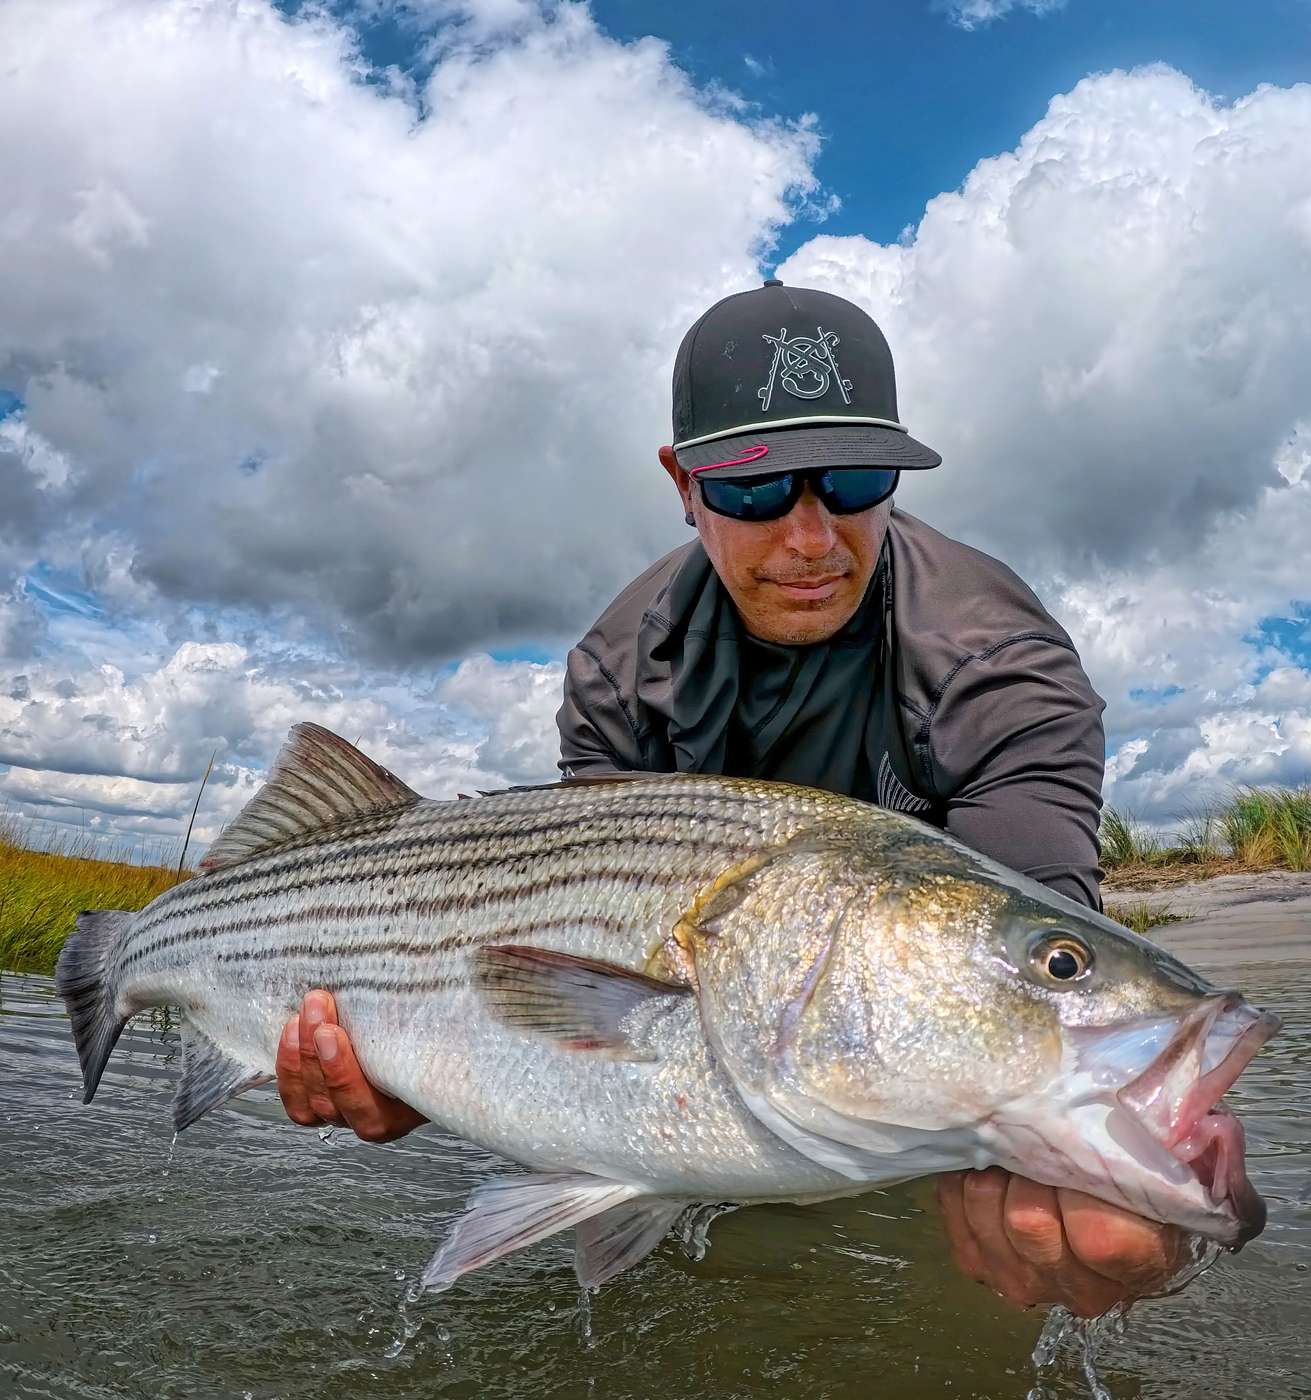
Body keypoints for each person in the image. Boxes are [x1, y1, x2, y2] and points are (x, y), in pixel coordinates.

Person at [275, 282, 1182, 1316]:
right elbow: (579, 971)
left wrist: (1114, 1123)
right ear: (682, 483)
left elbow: (1035, 920)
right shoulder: (620, 670)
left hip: (863, 1050)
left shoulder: (1000, 664)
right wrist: (431, 1072)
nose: (809, 537)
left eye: (852, 478)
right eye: (752, 487)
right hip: (722, 1047)